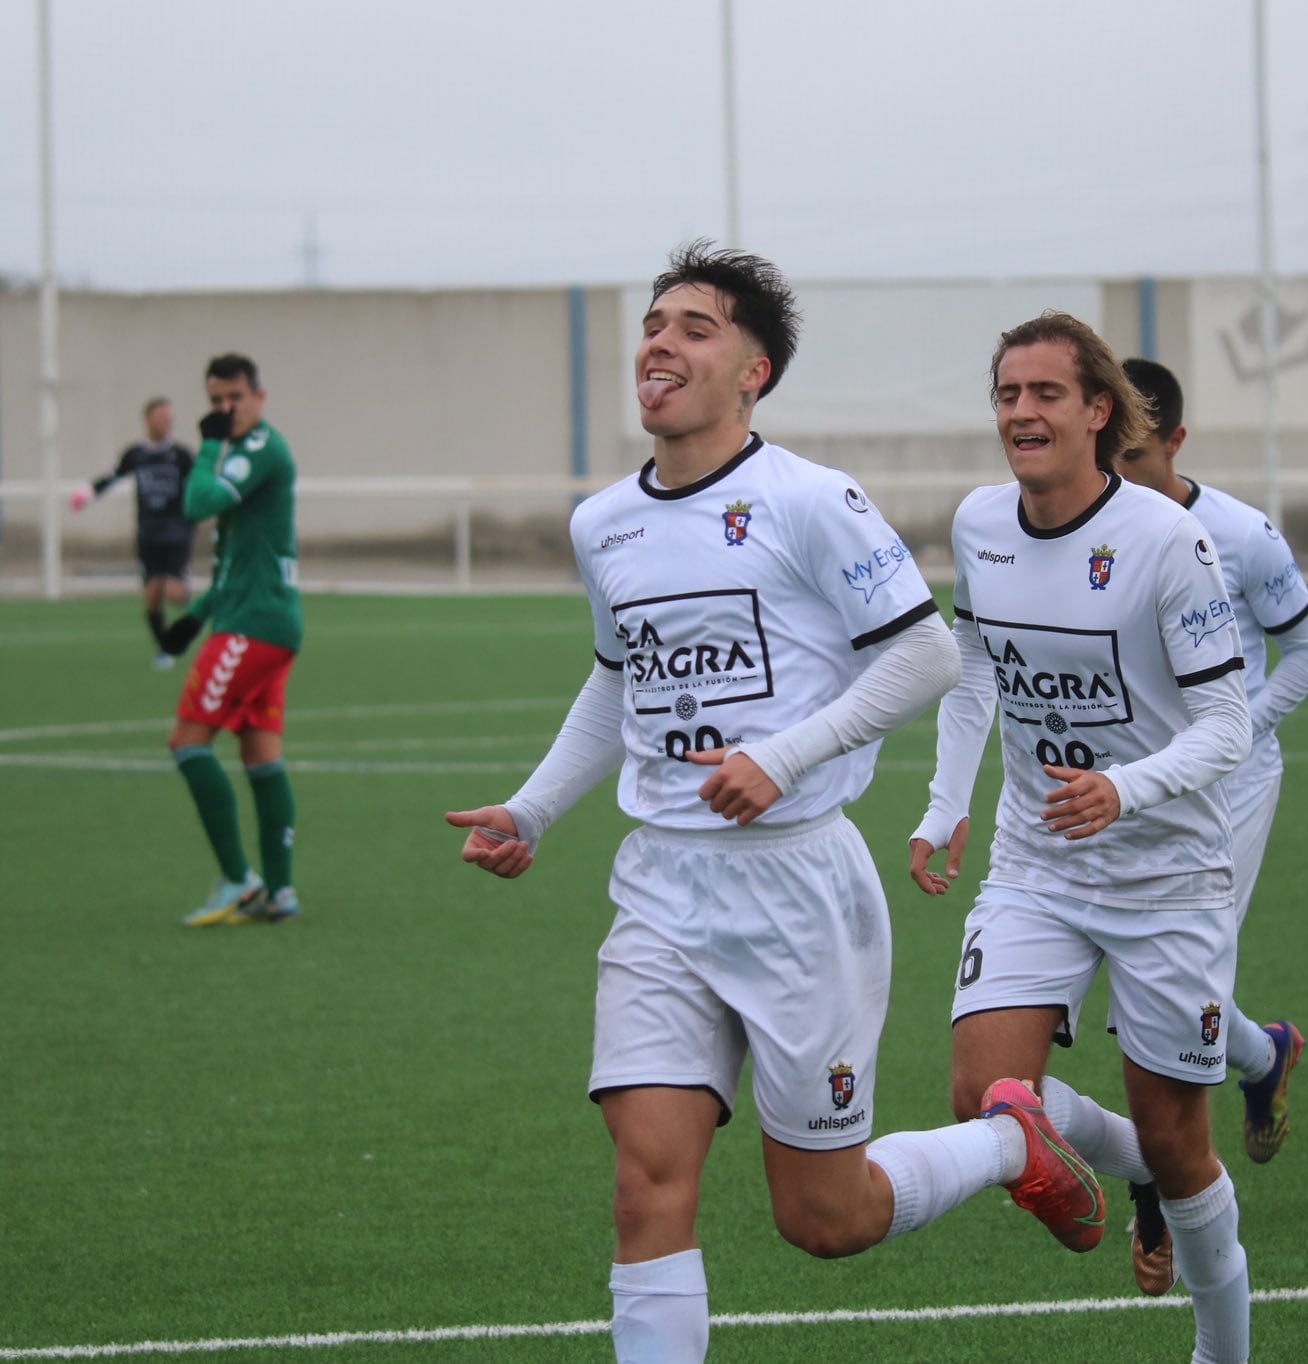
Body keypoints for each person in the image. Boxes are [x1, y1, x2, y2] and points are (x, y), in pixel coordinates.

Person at [446, 243, 1104, 1364]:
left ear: (752, 371)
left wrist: (783, 755)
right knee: (645, 1182)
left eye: (694, 328)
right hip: (659, 883)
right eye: (654, 323)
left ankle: (1007, 1143)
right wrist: (535, 807)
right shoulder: (602, 521)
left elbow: (924, 658)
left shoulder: (808, 501)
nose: (660, 342)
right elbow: (617, 677)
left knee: (822, 1218)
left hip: (800, 886)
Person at [909, 313, 1254, 1362]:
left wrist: (1122, 786)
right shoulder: (979, 522)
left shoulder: (1163, 539)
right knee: (981, 1097)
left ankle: (1220, 1348)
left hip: (1168, 876)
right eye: (1007, 394)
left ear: (1097, 411)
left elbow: (1228, 723)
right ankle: (1125, 1160)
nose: (1020, 412)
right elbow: (975, 670)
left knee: (1177, 1139)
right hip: (1035, 862)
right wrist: (942, 800)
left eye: (1045, 393)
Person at [1113, 357, 1308, 1290]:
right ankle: (1266, 1053)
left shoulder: (1240, 535)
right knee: (1160, 994)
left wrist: (1237, 735)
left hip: (1225, 789)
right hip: (1121, 785)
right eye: (1107, 453)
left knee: (1171, 987)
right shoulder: (1084, 525)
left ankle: (1155, 1201)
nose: (1120, 474)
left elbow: (1307, 655)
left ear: (1177, 442)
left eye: (1139, 454)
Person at [164, 353, 302, 927]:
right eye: (215, 402)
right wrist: (195, 616)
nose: (224, 411)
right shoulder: (245, 452)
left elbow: (197, 504)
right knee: (259, 755)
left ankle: (238, 880)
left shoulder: (260, 450)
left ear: (259, 397)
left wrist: (208, 446)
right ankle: (279, 891)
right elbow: (233, 563)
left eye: (234, 399)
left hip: (253, 627)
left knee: (188, 743)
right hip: (262, 620)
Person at [69, 397, 196, 668]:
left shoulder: (182, 455)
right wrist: (88, 493)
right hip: (148, 533)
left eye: (169, 418)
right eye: (160, 417)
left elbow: (202, 484)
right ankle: (164, 647)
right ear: (148, 420)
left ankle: (190, 598)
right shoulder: (136, 454)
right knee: (152, 594)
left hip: (176, 532)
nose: (165, 423)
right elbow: (112, 476)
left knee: (173, 592)